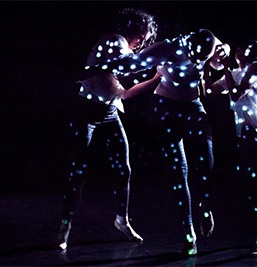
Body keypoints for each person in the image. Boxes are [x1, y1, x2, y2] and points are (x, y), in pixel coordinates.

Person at [82, 29, 225, 256]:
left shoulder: (212, 43)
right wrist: (97, 67)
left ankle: (205, 206)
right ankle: (189, 233)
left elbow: (221, 53)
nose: (198, 62)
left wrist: (222, 53)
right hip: (166, 110)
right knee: (179, 172)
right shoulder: (165, 49)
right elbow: (129, 66)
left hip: (193, 106)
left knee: (206, 161)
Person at [54, 8, 159, 250]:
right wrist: (157, 57)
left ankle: (122, 220)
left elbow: (124, 93)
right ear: (133, 30)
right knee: (78, 170)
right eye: (142, 35)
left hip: (110, 113)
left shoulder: (122, 52)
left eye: (146, 38)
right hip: (86, 112)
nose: (142, 41)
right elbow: (130, 65)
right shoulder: (114, 41)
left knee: (123, 168)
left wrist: (154, 81)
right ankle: (64, 226)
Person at [202, 40, 257, 257]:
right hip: (246, 136)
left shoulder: (255, 68)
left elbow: (236, 93)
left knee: (255, 185)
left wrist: (226, 70)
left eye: (241, 47)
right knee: (246, 186)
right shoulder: (235, 73)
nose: (236, 49)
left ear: (250, 53)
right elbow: (208, 92)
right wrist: (205, 69)